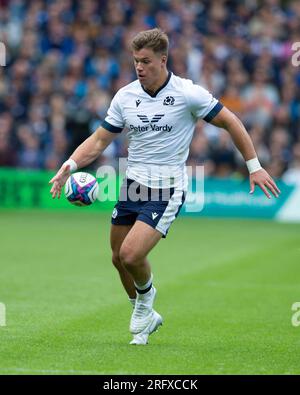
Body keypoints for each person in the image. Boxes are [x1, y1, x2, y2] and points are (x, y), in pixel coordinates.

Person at [49, 28, 280, 345]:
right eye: (135, 62)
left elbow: (231, 121)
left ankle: (146, 301)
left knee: (131, 255)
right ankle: (145, 315)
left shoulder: (187, 93)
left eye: (145, 61)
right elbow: (100, 139)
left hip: (167, 188)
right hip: (133, 185)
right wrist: (70, 165)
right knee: (118, 258)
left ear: (163, 59)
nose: (139, 67)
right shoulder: (126, 96)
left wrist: (253, 166)